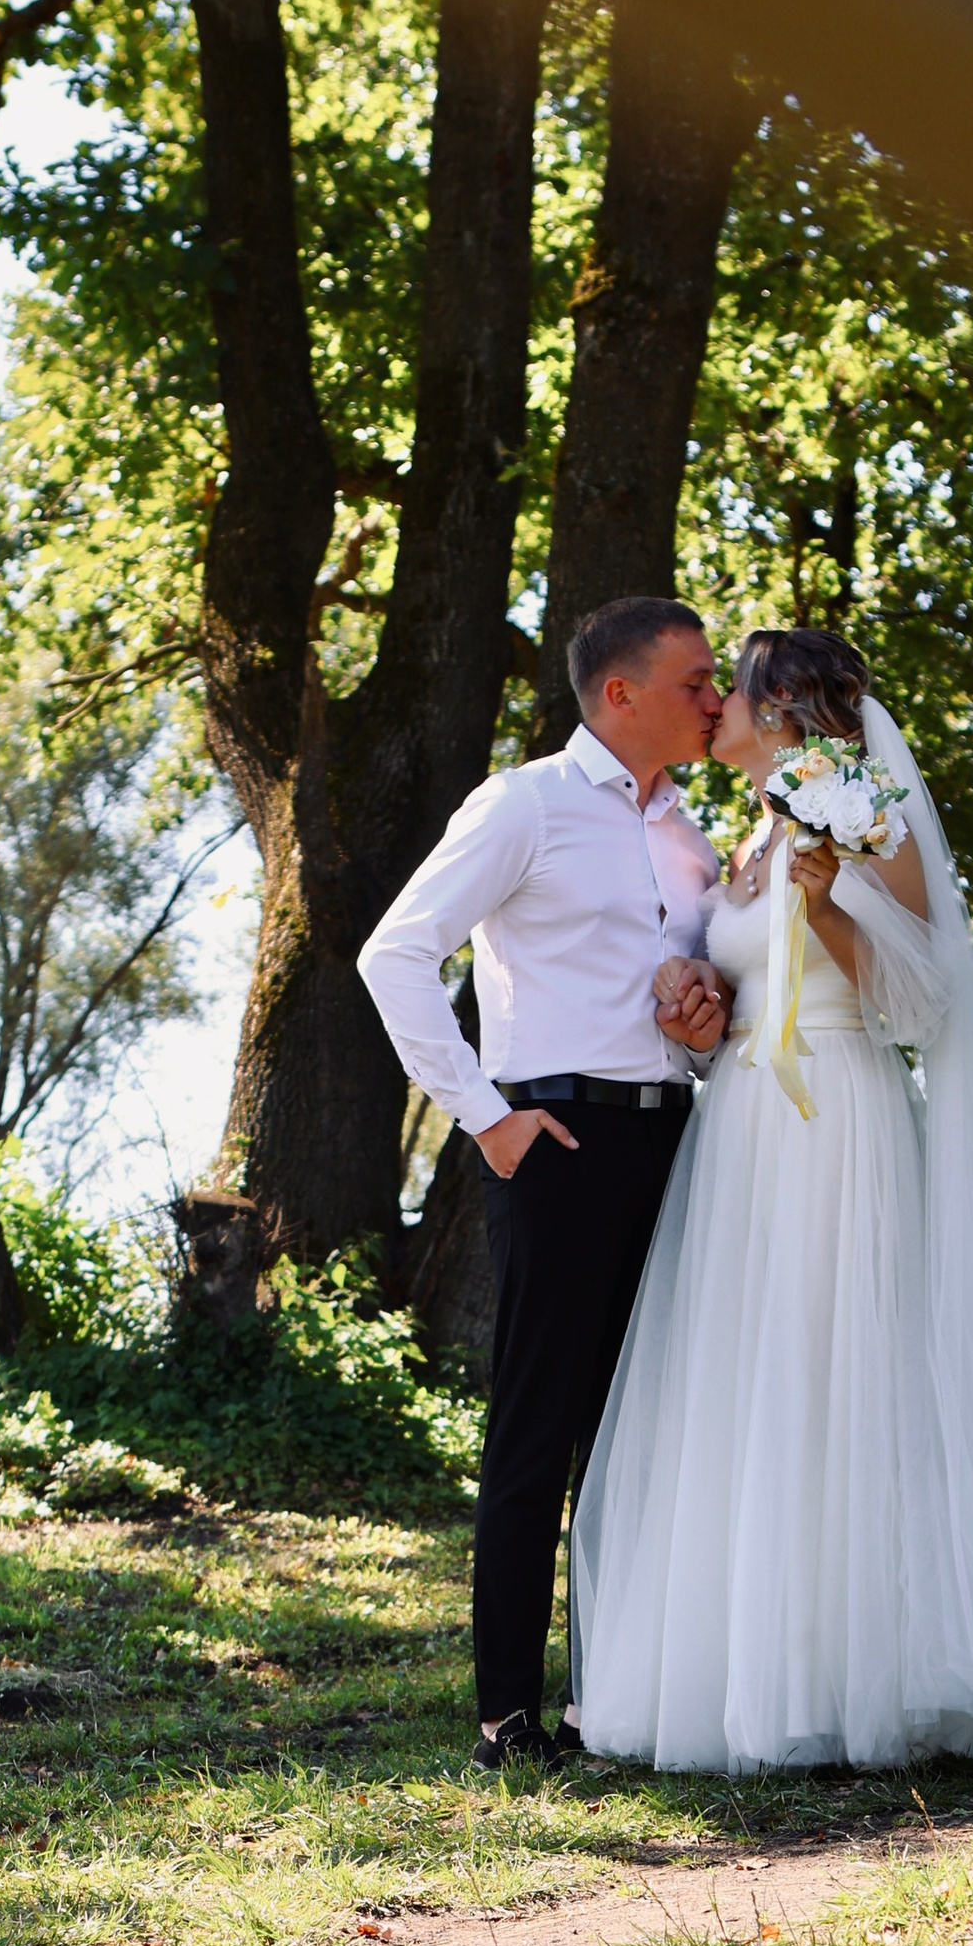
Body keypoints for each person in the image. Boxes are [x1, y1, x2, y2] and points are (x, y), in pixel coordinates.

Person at [568, 625, 973, 1771]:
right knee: (747, 1383)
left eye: (728, 688)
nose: (708, 701)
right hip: (744, 1133)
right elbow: (749, 985)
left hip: (842, 1121)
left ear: (776, 710)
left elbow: (922, 1000)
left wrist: (823, 906)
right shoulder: (746, 840)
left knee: (837, 1372)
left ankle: (864, 1674)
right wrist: (697, 1000)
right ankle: (749, 1670)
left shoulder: (867, 819)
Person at [357, 596, 729, 1773]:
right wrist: (486, 1118)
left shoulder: (692, 838)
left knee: (638, 1438)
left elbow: (695, 1008)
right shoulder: (524, 804)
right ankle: (507, 1715)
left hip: (677, 1141)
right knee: (537, 1433)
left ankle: (606, 1707)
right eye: (696, 682)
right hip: (556, 1140)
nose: (718, 700)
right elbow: (395, 953)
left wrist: (706, 1023)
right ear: (620, 694)